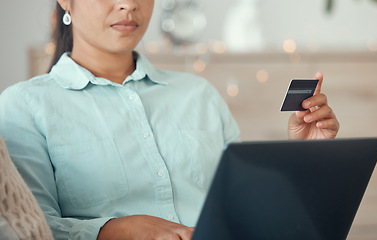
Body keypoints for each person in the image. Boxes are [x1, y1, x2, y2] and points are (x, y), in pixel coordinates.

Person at [0, 0, 339, 239]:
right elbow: (29, 229)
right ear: (65, 2)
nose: (129, 4)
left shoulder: (198, 93)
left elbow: (247, 210)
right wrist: (113, 230)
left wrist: (305, 158)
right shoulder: (24, 107)